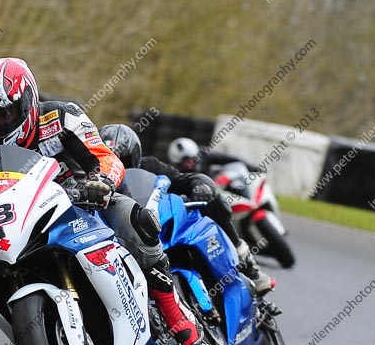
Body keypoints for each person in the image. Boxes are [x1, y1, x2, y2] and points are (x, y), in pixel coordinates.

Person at [0, 58, 209, 345]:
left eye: (4, 114)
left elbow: (104, 157)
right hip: (27, 220)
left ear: (27, 102)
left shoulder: (62, 117)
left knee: (135, 218)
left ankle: (173, 312)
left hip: (88, 203)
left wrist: (101, 182)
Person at [99, 124, 274, 295]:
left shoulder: (150, 166)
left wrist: (199, 185)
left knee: (212, 200)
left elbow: (181, 179)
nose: (116, 169)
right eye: (108, 161)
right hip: (123, 241)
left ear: (134, 157)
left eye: (122, 161)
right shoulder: (91, 181)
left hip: (159, 226)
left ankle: (245, 260)